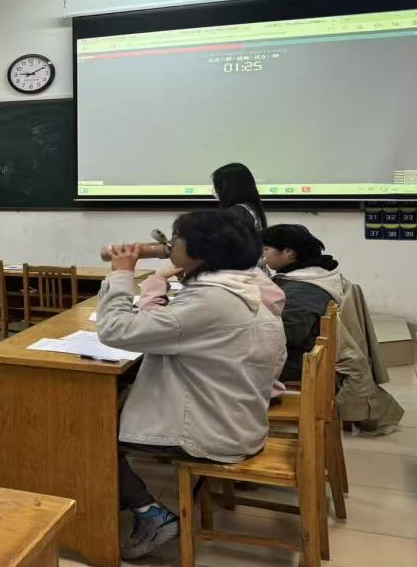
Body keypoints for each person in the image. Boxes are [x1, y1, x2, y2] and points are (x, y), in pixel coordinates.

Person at [96, 210, 285, 559]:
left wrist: (122, 274)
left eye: (176, 239)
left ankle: (149, 514)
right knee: (107, 406)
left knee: (85, 429)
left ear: (201, 250)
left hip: (214, 430)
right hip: (238, 417)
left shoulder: (212, 300)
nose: (169, 245)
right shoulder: (244, 286)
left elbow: (115, 330)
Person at [262, 224, 348, 382]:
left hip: (297, 363)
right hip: (303, 356)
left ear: (289, 252)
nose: (263, 254)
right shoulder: (314, 276)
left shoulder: (302, 289)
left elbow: (289, 335)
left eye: (266, 249)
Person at [211, 162, 267, 235]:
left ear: (229, 187)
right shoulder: (250, 207)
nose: (215, 190)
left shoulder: (238, 212)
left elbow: (231, 239)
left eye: (217, 185)